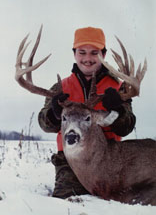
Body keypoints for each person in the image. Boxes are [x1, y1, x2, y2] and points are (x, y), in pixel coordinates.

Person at [38, 26, 136, 199]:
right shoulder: (60, 88)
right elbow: (44, 124)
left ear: (103, 55)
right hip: (70, 162)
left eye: (94, 52)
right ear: (75, 54)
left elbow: (126, 128)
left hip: (110, 159)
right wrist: (54, 113)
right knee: (66, 202)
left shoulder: (119, 88)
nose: (88, 58)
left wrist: (118, 109)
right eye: (82, 52)